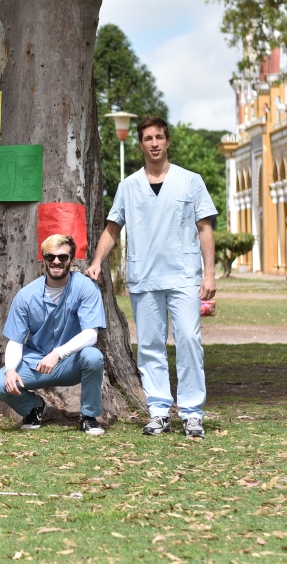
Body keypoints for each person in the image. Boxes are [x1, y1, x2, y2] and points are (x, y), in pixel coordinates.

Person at [86, 116, 217, 439]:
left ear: (167, 141)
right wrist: (97, 261)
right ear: (141, 144)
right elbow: (113, 228)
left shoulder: (191, 181)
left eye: (159, 137)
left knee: (189, 341)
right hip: (144, 277)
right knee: (149, 346)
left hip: (184, 276)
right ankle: (158, 412)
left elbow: (204, 228)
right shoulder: (128, 186)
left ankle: (192, 413)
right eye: (148, 138)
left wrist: (210, 273)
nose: (154, 143)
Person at [0, 235, 107, 435]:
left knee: (93, 356)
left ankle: (89, 417)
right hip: (36, 364)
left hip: (71, 363)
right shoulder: (25, 295)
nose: (56, 261)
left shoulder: (86, 287)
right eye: (50, 256)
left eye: (63, 257)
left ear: (72, 260)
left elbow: (90, 334)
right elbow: (15, 341)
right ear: (43, 259)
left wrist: (58, 354)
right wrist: (10, 369)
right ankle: (33, 407)